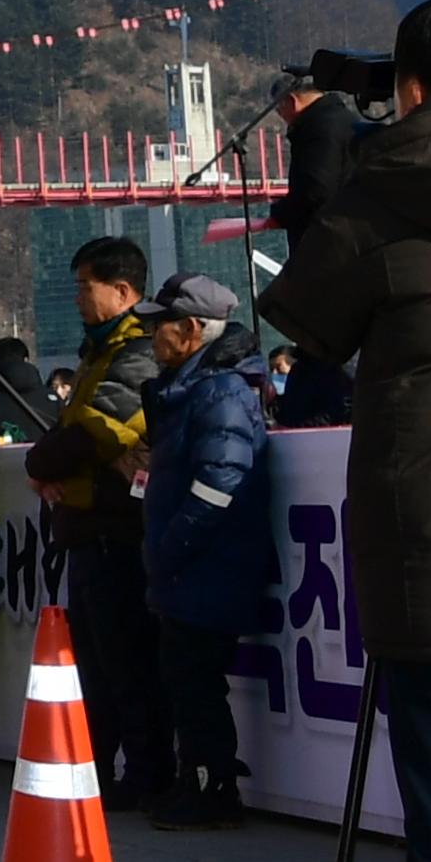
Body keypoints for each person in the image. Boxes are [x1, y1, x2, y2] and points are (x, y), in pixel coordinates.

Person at [261, 0, 431, 862]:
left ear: (409, 86)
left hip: (427, 558)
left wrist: (334, 140)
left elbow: (308, 319)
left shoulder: (380, 190)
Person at [25, 234, 164, 807]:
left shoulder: (137, 353)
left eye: (87, 287)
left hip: (115, 530)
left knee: (126, 660)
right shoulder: (98, 351)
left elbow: (88, 435)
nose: (78, 297)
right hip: (88, 529)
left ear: (124, 290)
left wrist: (43, 461)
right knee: (98, 664)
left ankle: (147, 772)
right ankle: (105, 768)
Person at [132, 273, 274, 829]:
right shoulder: (200, 388)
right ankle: (201, 782)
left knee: (195, 679)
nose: (151, 336)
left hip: (205, 565)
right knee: (186, 677)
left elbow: (221, 479)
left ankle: (211, 789)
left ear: (192, 330)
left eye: (158, 325)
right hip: (194, 564)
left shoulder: (219, 392)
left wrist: (169, 545)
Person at [268, 76, 366, 430]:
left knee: (326, 349)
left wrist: (281, 211)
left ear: (291, 103)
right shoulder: (344, 121)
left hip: (327, 261)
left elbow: (316, 191)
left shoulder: (317, 130)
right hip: (349, 256)